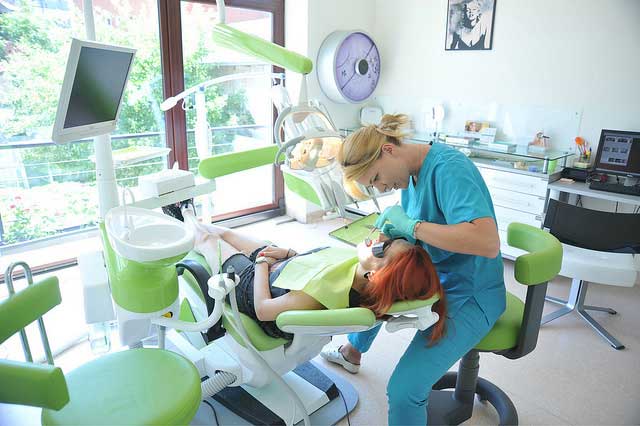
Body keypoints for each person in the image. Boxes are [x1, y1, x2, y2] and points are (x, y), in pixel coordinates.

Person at [322, 113, 505, 425]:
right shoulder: (410, 176)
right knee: (379, 281)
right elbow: (422, 231)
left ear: (388, 150)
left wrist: (413, 227)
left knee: (404, 391)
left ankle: (356, 350)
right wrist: (391, 239)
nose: (381, 188)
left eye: (376, 178)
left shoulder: (449, 170)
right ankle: (353, 350)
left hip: (472, 292)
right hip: (438, 277)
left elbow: (487, 243)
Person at [183, 211, 446, 342]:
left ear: (375, 276)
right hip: (283, 269)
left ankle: (183, 222)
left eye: (382, 248)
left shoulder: (322, 293)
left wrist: (261, 264)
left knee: (207, 239)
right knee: (224, 233)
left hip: (255, 289)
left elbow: (263, 310)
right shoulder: (357, 273)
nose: (378, 238)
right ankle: (189, 218)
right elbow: (320, 267)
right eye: (389, 239)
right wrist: (290, 254)